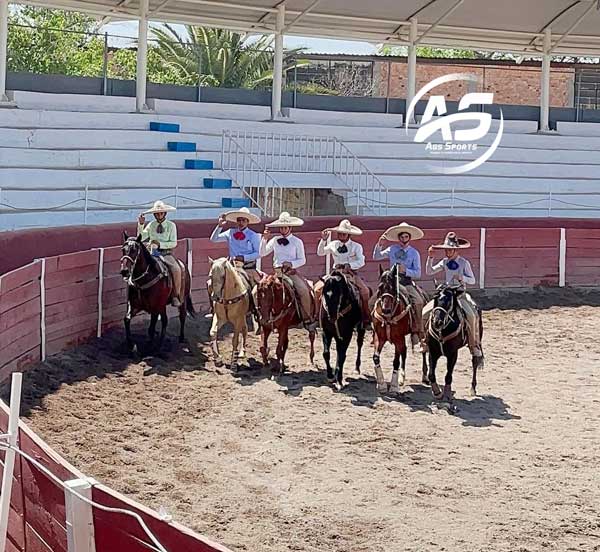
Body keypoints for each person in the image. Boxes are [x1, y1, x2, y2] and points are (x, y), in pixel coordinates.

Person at [424, 231, 482, 358]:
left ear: (456, 250)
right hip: (447, 293)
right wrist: (430, 257)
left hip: (460, 294)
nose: (448, 252)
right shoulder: (444, 262)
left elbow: (472, 280)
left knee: (471, 315)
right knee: (425, 312)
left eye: (450, 250)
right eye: (446, 250)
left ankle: (474, 344)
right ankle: (425, 341)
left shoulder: (464, 263)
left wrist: (462, 278)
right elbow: (429, 271)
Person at [259, 211, 316, 329]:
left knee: (304, 290)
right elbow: (262, 253)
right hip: (277, 272)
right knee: (259, 290)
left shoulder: (297, 241)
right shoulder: (275, 240)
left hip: (290, 273)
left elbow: (302, 260)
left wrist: (291, 263)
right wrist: (264, 239)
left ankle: (307, 318)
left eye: (285, 227)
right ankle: (261, 318)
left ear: (290, 227)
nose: (283, 229)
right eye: (281, 227)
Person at [373, 222, 425, 347]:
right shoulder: (392, 249)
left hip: (405, 281)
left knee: (418, 301)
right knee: (372, 301)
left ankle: (417, 330)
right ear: (398, 238)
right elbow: (376, 257)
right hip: (390, 281)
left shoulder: (414, 253)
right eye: (402, 237)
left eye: (406, 237)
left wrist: (405, 271)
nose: (404, 240)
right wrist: (379, 245)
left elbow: (418, 273)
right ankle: (375, 328)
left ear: (409, 238)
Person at [315, 219, 370, 326]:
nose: (341, 235)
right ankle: (317, 316)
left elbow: (361, 261)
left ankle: (365, 315)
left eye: (344, 233)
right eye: (339, 233)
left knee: (365, 291)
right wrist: (323, 240)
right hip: (335, 273)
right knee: (317, 289)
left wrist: (350, 265)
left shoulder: (356, 246)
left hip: (350, 274)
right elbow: (320, 252)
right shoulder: (333, 244)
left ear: (349, 234)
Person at [137, 200, 182, 307]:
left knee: (176, 269)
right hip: (152, 253)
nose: (159, 215)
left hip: (166, 254)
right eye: (156, 213)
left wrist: (160, 244)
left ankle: (175, 295)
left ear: (165, 213)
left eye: (161, 213)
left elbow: (174, 243)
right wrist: (141, 224)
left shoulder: (171, 226)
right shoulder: (151, 225)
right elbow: (141, 237)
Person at [209, 207, 262, 285]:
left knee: (253, 289)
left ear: (248, 222)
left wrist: (243, 257)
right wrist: (219, 226)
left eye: (243, 220)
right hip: (231, 265)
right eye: (239, 220)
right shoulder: (230, 232)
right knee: (216, 280)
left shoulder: (253, 235)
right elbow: (213, 239)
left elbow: (258, 253)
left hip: (247, 266)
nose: (241, 222)